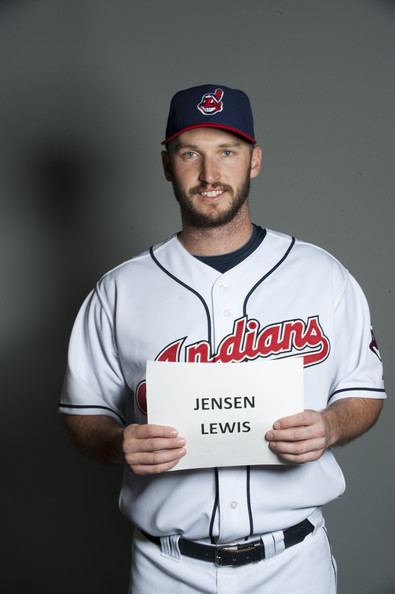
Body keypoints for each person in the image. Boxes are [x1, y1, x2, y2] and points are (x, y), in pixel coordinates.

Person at [60, 84, 386, 594]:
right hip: (166, 568)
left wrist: (330, 425)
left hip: (293, 564)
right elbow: (83, 414)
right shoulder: (120, 289)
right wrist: (116, 442)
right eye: (191, 153)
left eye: (227, 152)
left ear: (254, 160)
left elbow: (364, 393)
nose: (210, 174)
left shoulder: (323, 276)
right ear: (167, 164)